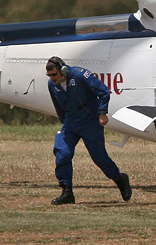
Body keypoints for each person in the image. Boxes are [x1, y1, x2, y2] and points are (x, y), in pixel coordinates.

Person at [46, 56, 132, 205]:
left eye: (54, 74)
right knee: (62, 152)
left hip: (89, 121)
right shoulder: (52, 85)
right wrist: (64, 121)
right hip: (71, 122)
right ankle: (67, 192)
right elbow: (57, 105)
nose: (53, 78)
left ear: (63, 70)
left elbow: (103, 91)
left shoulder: (80, 76)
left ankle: (119, 178)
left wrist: (102, 112)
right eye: (50, 76)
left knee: (100, 158)